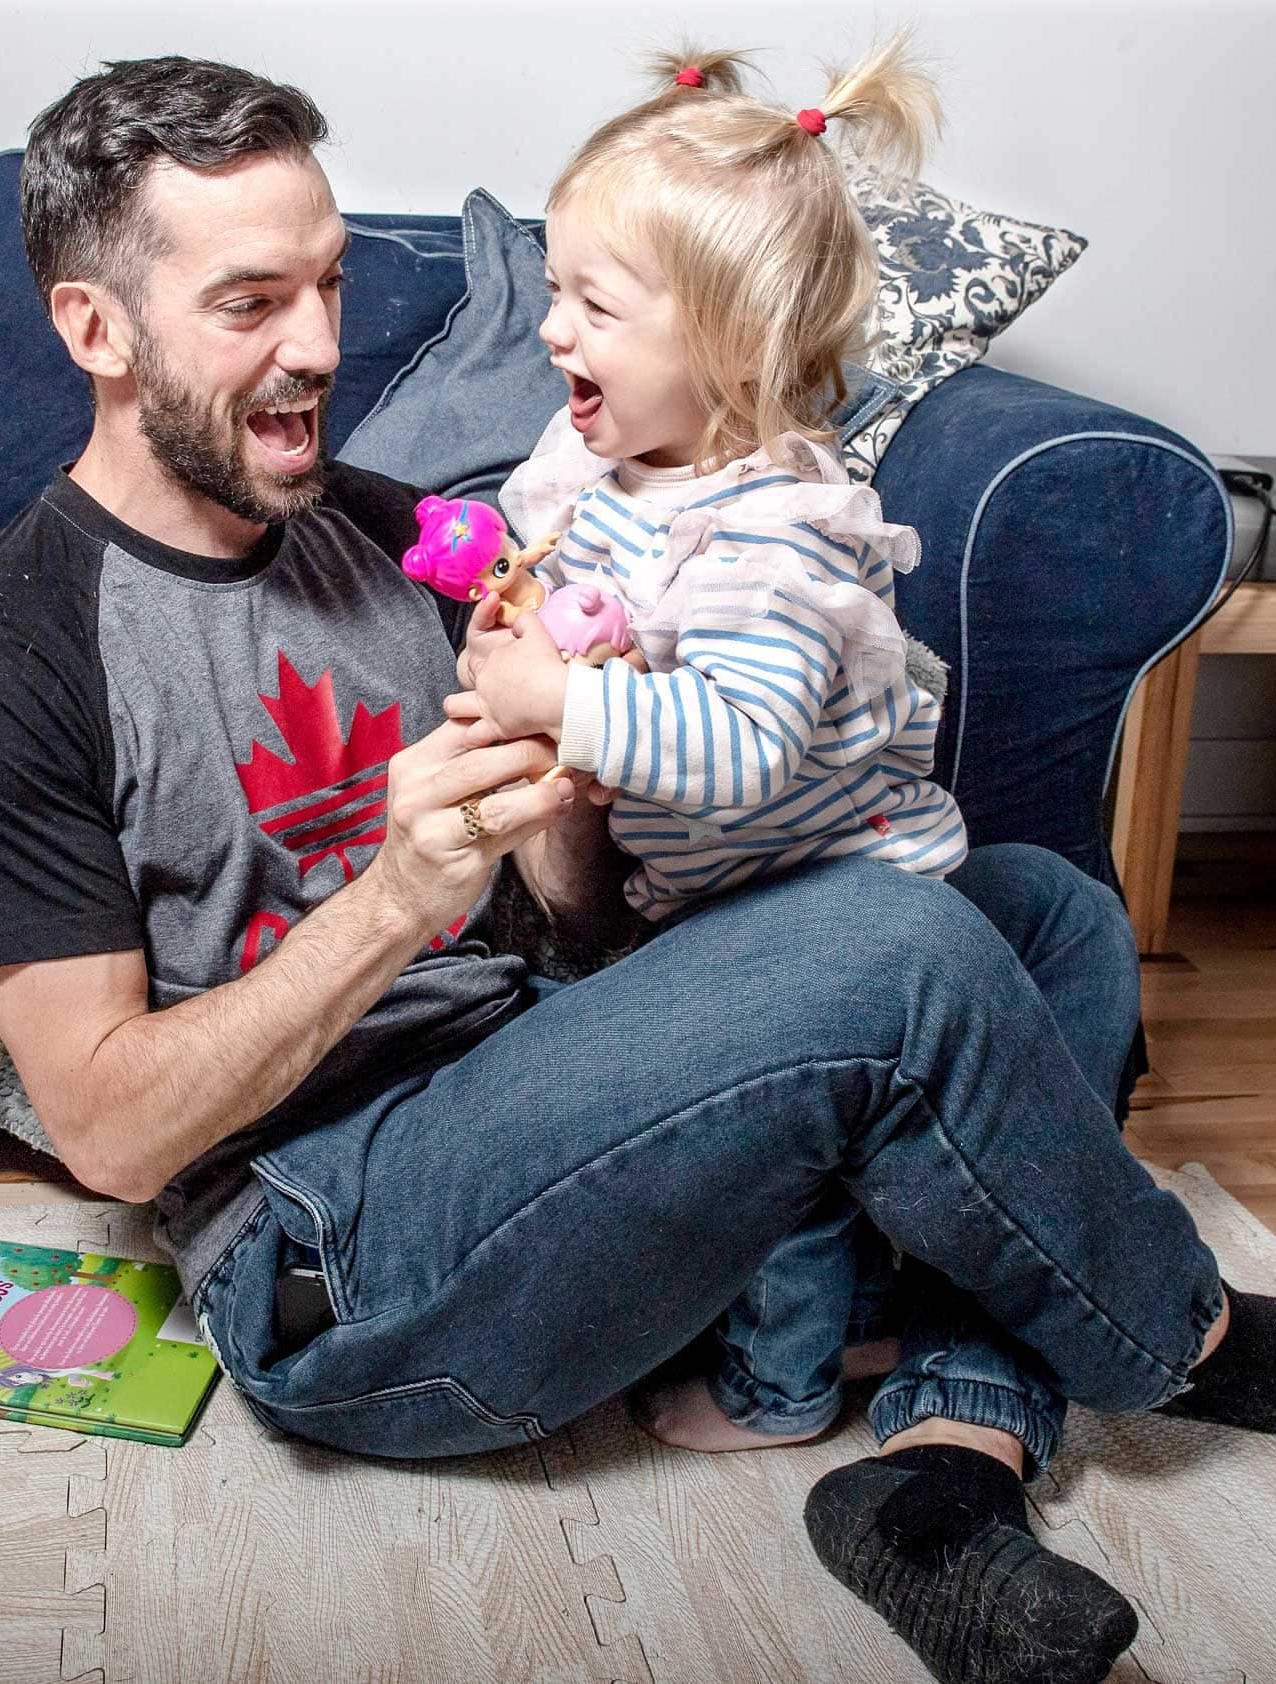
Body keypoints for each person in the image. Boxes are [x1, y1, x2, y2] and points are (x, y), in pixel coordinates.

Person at [0, 55, 1276, 1684]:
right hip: (343, 1254)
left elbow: (590, 923)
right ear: (97, 330)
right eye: (250, 303)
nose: (316, 347)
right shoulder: (10, 655)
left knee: (1040, 913)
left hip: (563, 1107)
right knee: (893, 949)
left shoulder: (379, 529)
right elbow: (103, 1130)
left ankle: (947, 1472)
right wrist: (394, 902)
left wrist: (579, 801)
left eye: (327, 285)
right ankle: (1190, 1334)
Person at [465, 40, 960, 1463]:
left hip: (835, 899)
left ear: (729, 343)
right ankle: (859, 1309)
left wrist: (564, 699)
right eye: (555, 290)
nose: (554, 332)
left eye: (593, 306)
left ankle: (778, 1389)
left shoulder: (774, 534)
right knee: (807, 1152)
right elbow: (573, 597)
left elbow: (742, 747)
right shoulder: (599, 469)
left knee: (784, 1159)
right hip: (710, 895)